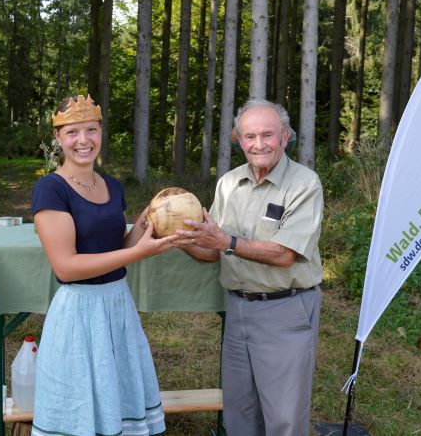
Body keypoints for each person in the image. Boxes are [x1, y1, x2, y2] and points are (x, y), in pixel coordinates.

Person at [30, 95, 176, 436]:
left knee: (118, 396)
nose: (84, 140)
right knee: (80, 404)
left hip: (117, 304)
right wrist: (139, 253)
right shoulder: (50, 189)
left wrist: (145, 224)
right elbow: (66, 267)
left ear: (101, 133)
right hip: (79, 310)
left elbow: (117, 250)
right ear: (58, 138)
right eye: (72, 132)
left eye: (92, 130)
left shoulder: (111, 185)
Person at [177, 98, 324, 436]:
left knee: (284, 419)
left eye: (267, 135)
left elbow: (285, 253)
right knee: (239, 413)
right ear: (238, 139)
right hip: (238, 308)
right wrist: (177, 239)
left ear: (285, 137)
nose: (259, 144)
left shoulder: (304, 184)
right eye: (249, 136)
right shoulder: (228, 183)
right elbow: (212, 251)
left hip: (285, 308)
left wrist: (225, 241)